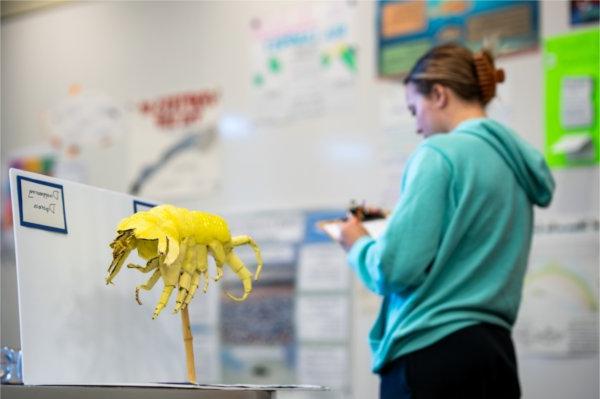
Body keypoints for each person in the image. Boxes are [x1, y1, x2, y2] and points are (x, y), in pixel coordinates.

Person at [338, 43, 555, 399]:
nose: (417, 126)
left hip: (431, 355)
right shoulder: (516, 168)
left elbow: (394, 268)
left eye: (414, 110)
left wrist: (357, 243)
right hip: (495, 355)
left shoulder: (438, 153)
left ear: (439, 94)